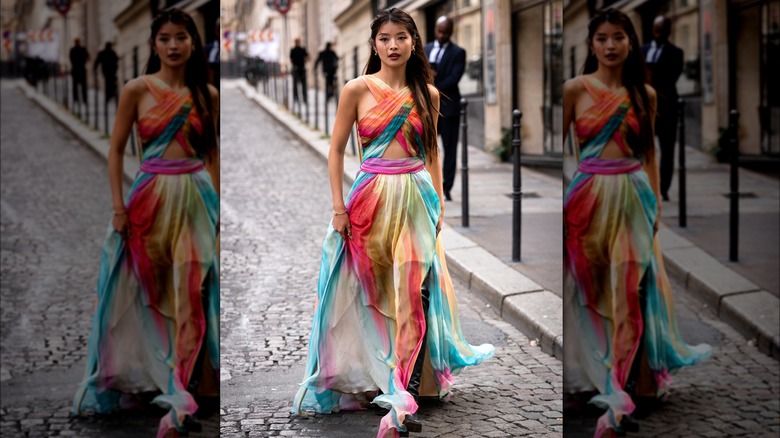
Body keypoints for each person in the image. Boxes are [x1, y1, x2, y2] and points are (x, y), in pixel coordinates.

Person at [292, 8, 493, 438]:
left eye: (401, 37)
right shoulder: (355, 90)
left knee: (411, 291)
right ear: (374, 44)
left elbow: (433, 154)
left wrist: (438, 204)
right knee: (373, 290)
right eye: (385, 38)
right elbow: (335, 151)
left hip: (416, 198)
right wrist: (337, 208)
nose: (393, 45)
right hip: (369, 199)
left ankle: (403, 391)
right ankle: (375, 378)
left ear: (414, 42)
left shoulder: (430, 95)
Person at [72, 8, 220, 438]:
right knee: (152, 294)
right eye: (165, 38)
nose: (173, 46)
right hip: (148, 198)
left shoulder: (207, 93)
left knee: (191, 293)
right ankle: (157, 375)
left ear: (193, 42)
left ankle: (180, 392)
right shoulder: (136, 90)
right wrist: (118, 207)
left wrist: (217, 208)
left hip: (195, 197)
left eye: (181, 37)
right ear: (154, 44)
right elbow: (116, 150)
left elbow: (212, 156)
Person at [562, 9, 710, 437]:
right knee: (591, 293)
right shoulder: (574, 89)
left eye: (619, 37)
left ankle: (616, 394)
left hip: (633, 197)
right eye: (603, 38)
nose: (610, 45)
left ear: (632, 43)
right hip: (587, 199)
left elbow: (648, 155)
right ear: (592, 45)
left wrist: (658, 207)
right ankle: (596, 372)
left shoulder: (645, 93)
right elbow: (564, 155)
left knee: (629, 292)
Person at [424, 16, 465, 202]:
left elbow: (454, 78)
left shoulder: (458, 52)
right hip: (428, 107)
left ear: (451, 32)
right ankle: (428, 183)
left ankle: (446, 188)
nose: (442, 35)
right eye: (440, 31)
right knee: (428, 147)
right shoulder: (425, 49)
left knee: (450, 151)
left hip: (449, 109)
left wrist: (433, 85)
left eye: (446, 32)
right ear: (435, 30)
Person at [642, 16, 683, 202]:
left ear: (668, 32)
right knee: (646, 150)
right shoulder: (642, 50)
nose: (657, 34)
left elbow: (670, 78)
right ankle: (647, 185)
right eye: (655, 30)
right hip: (645, 108)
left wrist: (652, 75)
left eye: (661, 30)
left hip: (667, 109)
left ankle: (663, 188)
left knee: (667, 152)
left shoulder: (676, 53)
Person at [69, 38, 89, 107]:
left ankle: (76, 99)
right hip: (81, 70)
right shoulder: (82, 49)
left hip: (75, 70)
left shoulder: (73, 50)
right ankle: (84, 100)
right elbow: (88, 57)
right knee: (82, 86)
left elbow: (71, 59)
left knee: (76, 86)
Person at [290, 37, 309, 104]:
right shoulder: (294, 50)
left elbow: (308, 57)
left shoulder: (301, 49)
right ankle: (296, 98)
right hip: (297, 68)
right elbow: (291, 59)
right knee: (296, 85)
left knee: (303, 85)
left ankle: (303, 98)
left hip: (300, 68)